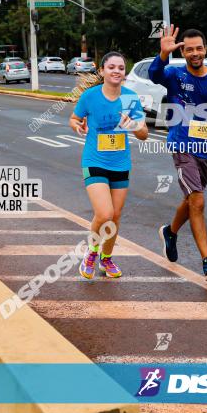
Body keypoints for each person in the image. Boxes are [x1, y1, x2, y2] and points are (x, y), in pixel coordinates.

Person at [150, 25, 207, 280]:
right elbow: (154, 74)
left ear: (205, 50)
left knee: (191, 199)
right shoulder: (174, 75)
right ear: (184, 52)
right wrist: (162, 54)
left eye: (198, 48)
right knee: (198, 201)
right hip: (181, 145)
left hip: (206, 149)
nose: (194, 53)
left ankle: (170, 231)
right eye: (189, 49)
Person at [69, 51, 148, 279]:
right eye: (111, 67)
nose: (116, 71)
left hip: (120, 163)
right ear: (102, 71)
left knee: (115, 217)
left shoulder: (130, 98)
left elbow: (144, 134)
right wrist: (78, 126)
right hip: (94, 160)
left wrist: (134, 125)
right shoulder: (90, 96)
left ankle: (107, 257)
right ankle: (91, 253)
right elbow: (73, 119)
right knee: (104, 213)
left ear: (124, 73)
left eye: (121, 68)